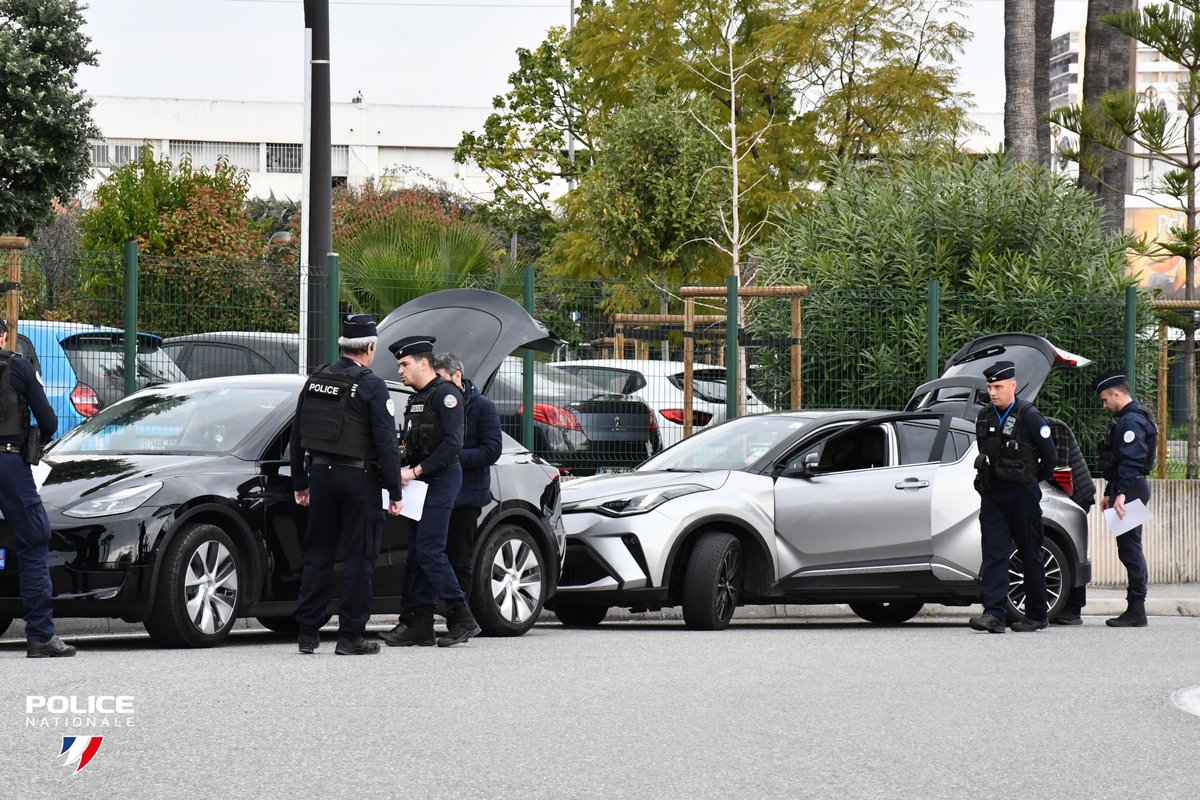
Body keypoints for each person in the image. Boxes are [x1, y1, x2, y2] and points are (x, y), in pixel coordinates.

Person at [290, 314, 403, 655]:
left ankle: (307, 633)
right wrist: (395, 491)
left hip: (320, 477)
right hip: (358, 480)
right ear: (370, 347)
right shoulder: (371, 385)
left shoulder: (316, 379)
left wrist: (300, 482)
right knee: (360, 556)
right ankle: (350, 636)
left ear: (343, 347)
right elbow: (385, 443)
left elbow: (298, 435)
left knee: (318, 554)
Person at [379, 336, 481, 648]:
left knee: (430, 550)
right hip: (420, 483)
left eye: (404, 364)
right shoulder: (418, 397)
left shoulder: (447, 395)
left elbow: (453, 443)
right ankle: (419, 623)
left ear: (424, 363)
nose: (400, 370)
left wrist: (415, 471)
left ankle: (461, 616)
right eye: (399, 364)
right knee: (417, 552)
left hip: (440, 480)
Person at [968, 360, 1058, 634]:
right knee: (994, 553)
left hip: (1022, 494)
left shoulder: (1030, 417)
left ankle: (1036, 614)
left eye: (998, 387)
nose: (992, 392)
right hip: (993, 495)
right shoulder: (984, 416)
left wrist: (1029, 479)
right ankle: (994, 614)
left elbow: (1050, 459)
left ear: (1012, 386)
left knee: (1030, 553)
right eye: (989, 387)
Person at [0, 319, 73, 657]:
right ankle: (41, 635)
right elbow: (49, 421)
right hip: (9, 463)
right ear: (2, 336)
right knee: (33, 539)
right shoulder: (17, 368)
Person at [1093, 369, 1157, 628]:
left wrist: (1120, 494)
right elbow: (1118, 463)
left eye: (1106, 399)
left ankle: (1137, 609)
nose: (1104, 404)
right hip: (1125, 488)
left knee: (1130, 550)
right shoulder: (1127, 418)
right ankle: (1135, 608)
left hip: (1131, 489)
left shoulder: (1131, 422)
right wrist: (1111, 493)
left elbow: (1131, 462)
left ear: (1117, 393)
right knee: (1127, 549)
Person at [1045, 415, 1096, 625]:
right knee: (1070, 549)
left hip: (1076, 494)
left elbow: (1061, 468)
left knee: (1074, 549)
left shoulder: (1055, 428)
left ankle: (1074, 609)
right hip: (1068, 492)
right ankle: (1070, 608)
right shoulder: (1049, 426)